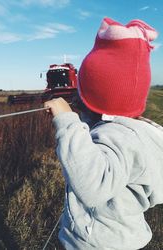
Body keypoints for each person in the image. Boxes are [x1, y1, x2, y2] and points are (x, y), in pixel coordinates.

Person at [44, 17, 163, 250]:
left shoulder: (118, 138)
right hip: (121, 236)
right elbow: (102, 129)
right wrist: (82, 116)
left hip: (98, 243)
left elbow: (92, 184)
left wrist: (67, 122)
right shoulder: (135, 132)